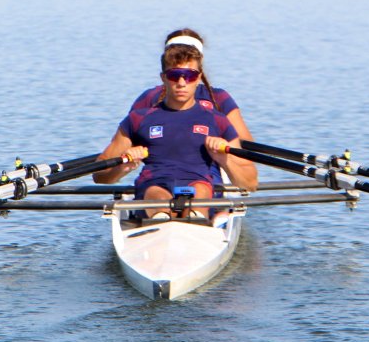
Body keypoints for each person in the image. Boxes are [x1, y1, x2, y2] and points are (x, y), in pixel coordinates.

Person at [94, 31, 258, 219]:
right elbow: (99, 175)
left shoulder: (217, 119)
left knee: (200, 192)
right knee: (156, 194)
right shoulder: (138, 118)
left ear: (198, 77)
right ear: (163, 77)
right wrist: (123, 166)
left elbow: (251, 182)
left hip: (199, 188)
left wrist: (224, 159)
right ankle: (165, 219)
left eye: (189, 75)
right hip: (155, 189)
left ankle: (192, 220)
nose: (181, 82)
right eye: (174, 75)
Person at [126, 29, 253, 141]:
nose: (181, 82)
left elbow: (244, 142)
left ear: (198, 61)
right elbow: (125, 141)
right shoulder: (150, 97)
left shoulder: (219, 97)